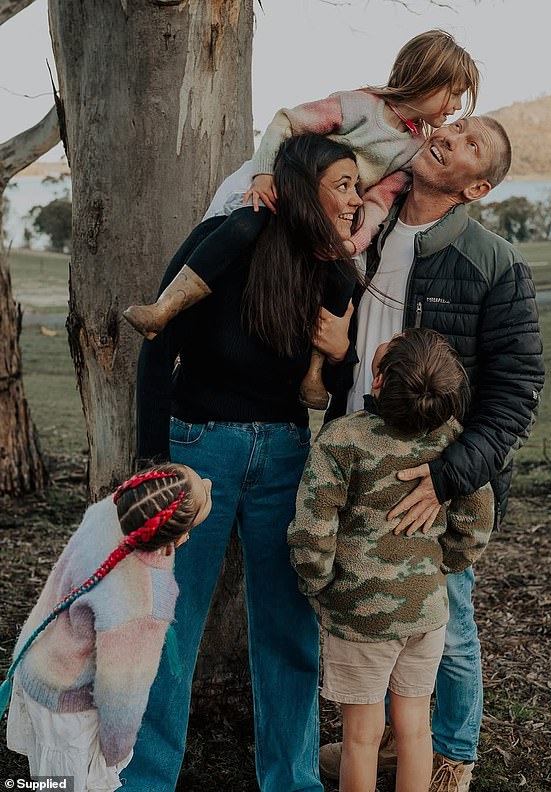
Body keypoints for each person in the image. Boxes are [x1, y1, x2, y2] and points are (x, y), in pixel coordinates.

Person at [121, 134, 363, 792]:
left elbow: (339, 395)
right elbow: (156, 346)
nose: (355, 198)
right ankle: (144, 781)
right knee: (167, 623)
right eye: (342, 184)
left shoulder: (336, 274)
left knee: (288, 630)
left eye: (357, 186)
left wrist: (342, 356)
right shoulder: (227, 237)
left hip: (286, 455)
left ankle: (292, 781)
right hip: (200, 448)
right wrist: (151, 460)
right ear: (300, 186)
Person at [319, 115, 545, 792]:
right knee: (367, 610)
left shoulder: (495, 264)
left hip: (433, 478)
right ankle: (384, 747)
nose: (450, 132)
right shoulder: (365, 230)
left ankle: (451, 757)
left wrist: (449, 477)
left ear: (475, 187)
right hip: (357, 458)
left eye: (471, 143)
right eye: (455, 124)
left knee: (446, 620)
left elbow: (516, 391)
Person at [122, 29, 479, 409]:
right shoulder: (360, 107)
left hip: (329, 216)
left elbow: (376, 203)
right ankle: (167, 307)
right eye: (453, 92)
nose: (456, 105)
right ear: (425, 78)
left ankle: (313, 375)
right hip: (278, 186)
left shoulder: (413, 151)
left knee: (343, 278)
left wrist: (352, 243)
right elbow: (286, 123)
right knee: (240, 226)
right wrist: (263, 172)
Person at [288, 328, 495, 792]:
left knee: (361, 739)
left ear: (378, 383)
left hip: (360, 616)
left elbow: (312, 529)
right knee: (415, 729)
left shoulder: (343, 439)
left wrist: (317, 584)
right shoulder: (453, 444)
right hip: (425, 610)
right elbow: (476, 521)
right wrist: (444, 566)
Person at [2, 464, 212, 792]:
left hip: (39, 666)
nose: (209, 484)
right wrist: (116, 750)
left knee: (47, 783)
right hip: (69, 713)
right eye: (206, 493)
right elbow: (122, 690)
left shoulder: (109, 513)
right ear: (181, 535)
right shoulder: (143, 600)